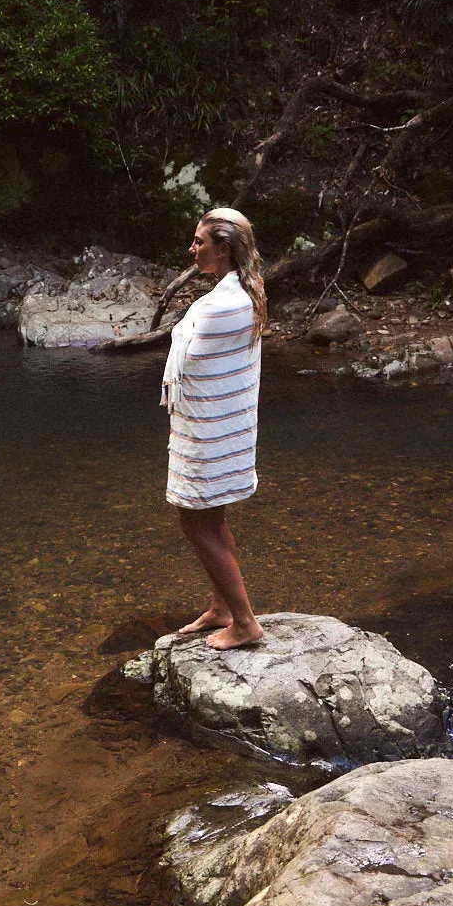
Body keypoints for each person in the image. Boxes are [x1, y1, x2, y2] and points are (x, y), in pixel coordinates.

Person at [161, 207, 266, 650]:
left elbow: (199, 364)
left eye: (199, 242)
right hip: (216, 430)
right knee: (213, 517)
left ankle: (244, 622)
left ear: (222, 249)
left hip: (211, 434)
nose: (192, 248)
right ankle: (223, 607)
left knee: (196, 521)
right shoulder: (240, 293)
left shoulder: (226, 306)